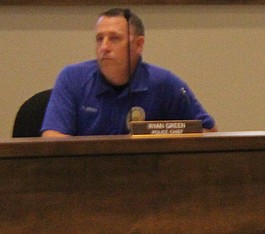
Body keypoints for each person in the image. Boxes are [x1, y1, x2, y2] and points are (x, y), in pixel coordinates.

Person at [41, 8, 217, 137]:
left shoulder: (165, 83)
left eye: (114, 39)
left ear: (138, 45)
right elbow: (53, 140)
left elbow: (209, 133)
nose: (104, 47)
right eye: (99, 39)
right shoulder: (72, 78)